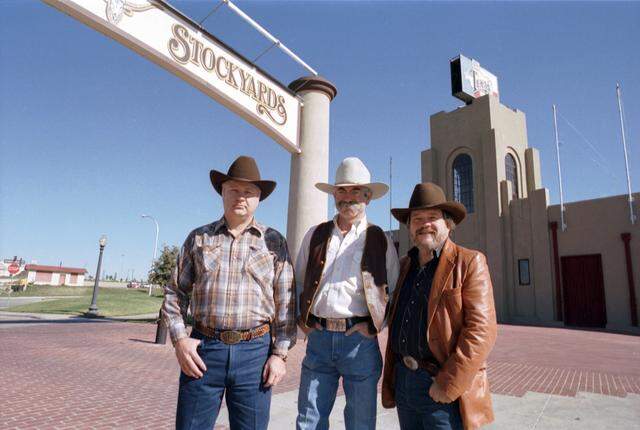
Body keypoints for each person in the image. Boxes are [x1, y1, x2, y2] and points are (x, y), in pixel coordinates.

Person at [162, 155, 297, 430]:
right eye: (234, 189)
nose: (241, 197)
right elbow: (175, 292)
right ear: (222, 192)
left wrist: (279, 354)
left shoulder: (274, 241)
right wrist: (179, 340)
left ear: (259, 198)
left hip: (255, 355)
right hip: (203, 351)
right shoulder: (199, 238)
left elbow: (287, 302)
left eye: (249, 192)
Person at [381, 182, 497, 430]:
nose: (424, 224)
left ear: (448, 223)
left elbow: (481, 331)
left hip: (440, 386)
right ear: (410, 226)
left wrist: (448, 384)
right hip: (404, 382)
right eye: (417, 218)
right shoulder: (403, 267)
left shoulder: (469, 262)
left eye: (432, 217)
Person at [295, 157, 400, 430]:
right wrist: (303, 323)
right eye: (341, 190)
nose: (347, 197)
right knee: (309, 422)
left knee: (360, 423)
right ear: (334, 195)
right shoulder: (315, 235)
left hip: (359, 344)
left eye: (355, 191)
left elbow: (394, 290)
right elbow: (297, 280)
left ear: (368, 197)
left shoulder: (381, 239)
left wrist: (375, 327)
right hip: (318, 339)